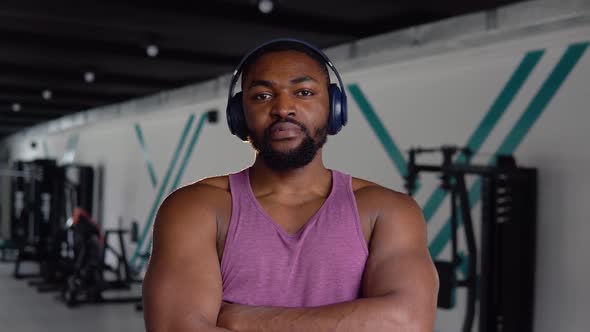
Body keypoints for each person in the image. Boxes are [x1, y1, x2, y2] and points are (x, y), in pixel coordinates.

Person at [142, 39, 438, 332]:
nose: (283, 108)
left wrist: (244, 320)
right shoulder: (195, 208)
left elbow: (407, 323)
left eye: (304, 92)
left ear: (334, 108)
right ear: (238, 115)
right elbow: (176, 328)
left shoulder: (388, 210)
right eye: (261, 96)